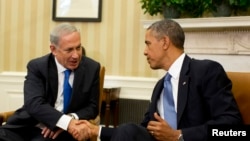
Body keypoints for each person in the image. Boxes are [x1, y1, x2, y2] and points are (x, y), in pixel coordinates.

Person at [71, 19, 243, 141]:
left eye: (148, 43)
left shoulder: (206, 71)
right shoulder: (161, 86)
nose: (145, 51)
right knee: (129, 130)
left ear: (165, 42)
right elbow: (142, 131)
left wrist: (179, 136)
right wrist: (97, 130)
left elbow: (232, 126)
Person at [0, 23, 100, 141]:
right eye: (69, 50)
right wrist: (65, 121)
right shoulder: (38, 67)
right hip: (27, 125)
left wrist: (68, 121)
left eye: (78, 48)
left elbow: (92, 107)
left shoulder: (91, 68)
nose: (76, 55)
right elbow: (34, 104)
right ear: (53, 49)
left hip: (58, 133)